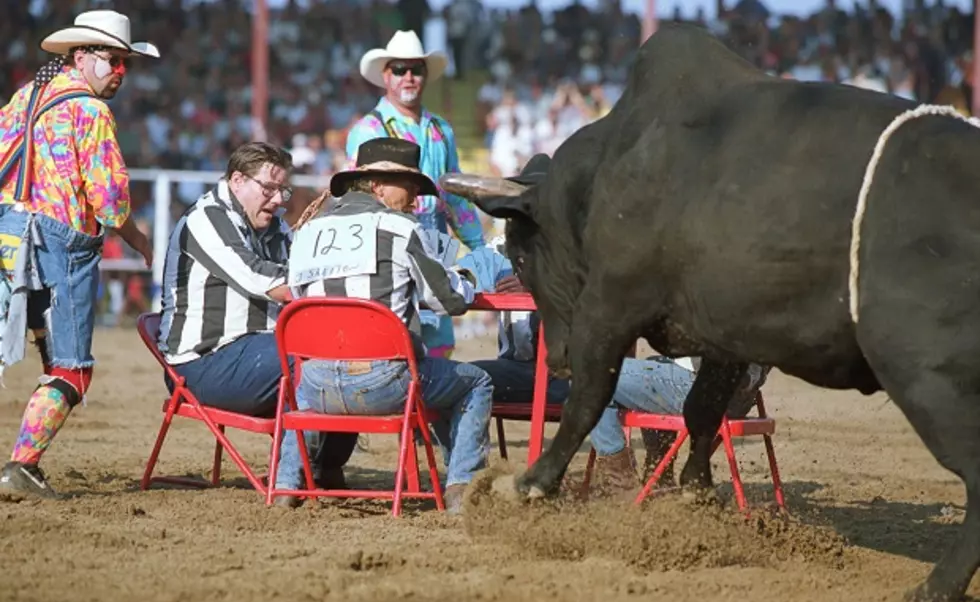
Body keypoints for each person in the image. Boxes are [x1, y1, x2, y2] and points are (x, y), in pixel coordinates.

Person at [468, 158, 770, 498]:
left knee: (593, 381)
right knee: (632, 372)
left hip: (703, 386)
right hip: (735, 390)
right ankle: (659, 478)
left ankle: (620, 478)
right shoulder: (749, 260)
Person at [274, 137, 492, 514]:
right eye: (408, 187)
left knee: (304, 380)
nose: (414, 200)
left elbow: (299, 298)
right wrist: (468, 276)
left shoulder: (306, 231)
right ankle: (461, 489)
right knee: (478, 381)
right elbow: (449, 301)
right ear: (376, 185)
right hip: (383, 385)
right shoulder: (399, 228)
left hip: (316, 385)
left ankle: (285, 485)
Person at [0, 10, 156, 500]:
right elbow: (109, 204)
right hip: (62, 240)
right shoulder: (91, 112)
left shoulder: (27, 96)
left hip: (8, 230)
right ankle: (21, 466)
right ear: (83, 56)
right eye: (112, 60)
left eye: (124, 62)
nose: (119, 71)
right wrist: (140, 240)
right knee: (72, 367)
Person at [155, 142, 357, 488]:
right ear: (237, 180)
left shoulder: (275, 227)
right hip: (201, 363)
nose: (279, 199)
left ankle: (323, 467)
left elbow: (302, 274)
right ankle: (300, 473)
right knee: (311, 359)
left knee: (346, 348)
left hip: (255, 352)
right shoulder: (206, 219)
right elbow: (264, 278)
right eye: (269, 188)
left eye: (283, 189)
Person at [347, 30, 486, 359]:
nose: (408, 77)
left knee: (437, 350)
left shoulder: (441, 129)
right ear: (386, 75)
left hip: (433, 255)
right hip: (385, 259)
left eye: (416, 69)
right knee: (390, 347)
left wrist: (481, 248)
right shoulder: (367, 130)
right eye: (399, 69)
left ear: (425, 75)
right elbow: (359, 198)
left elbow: (455, 196)